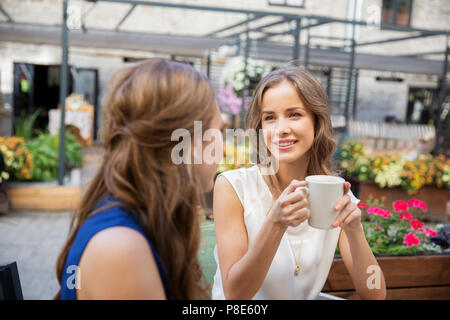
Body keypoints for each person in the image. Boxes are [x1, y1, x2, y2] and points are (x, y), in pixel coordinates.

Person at [212, 66, 386, 300]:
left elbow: (375, 293)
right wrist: (275, 224)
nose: (281, 129)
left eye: (294, 114)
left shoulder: (336, 194)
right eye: (270, 117)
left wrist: (355, 232)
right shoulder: (234, 187)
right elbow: (235, 295)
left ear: (317, 121)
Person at [55, 59, 224, 300]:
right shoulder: (121, 249)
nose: (223, 145)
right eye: (219, 130)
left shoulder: (139, 218)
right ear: (191, 144)